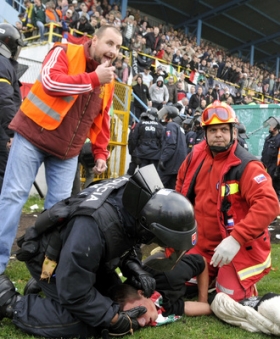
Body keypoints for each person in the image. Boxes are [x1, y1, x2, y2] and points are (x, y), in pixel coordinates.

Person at [0, 166, 198, 338]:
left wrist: (133, 266)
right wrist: (113, 319)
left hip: (82, 256)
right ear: (148, 226)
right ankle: (9, 301)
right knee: (87, 322)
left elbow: (126, 237)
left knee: (108, 299)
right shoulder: (94, 226)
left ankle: (49, 284)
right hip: (49, 260)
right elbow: (75, 293)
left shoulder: (137, 201)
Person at [0, 25, 122, 275]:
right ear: (95, 40)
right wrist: (93, 79)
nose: (114, 51)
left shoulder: (108, 80)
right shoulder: (64, 51)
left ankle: (44, 272)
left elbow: (103, 118)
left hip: (67, 152)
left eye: (119, 47)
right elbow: (50, 83)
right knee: (13, 197)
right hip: (32, 137)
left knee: (58, 214)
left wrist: (100, 152)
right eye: (109, 43)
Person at [176, 100, 279, 302]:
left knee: (227, 298)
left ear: (234, 132)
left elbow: (269, 204)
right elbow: (180, 187)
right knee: (175, 282)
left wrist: (236, 239)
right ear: (205, 133)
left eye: (224, 129)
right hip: (201, 247)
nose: (219, 135)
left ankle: (239, 282)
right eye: (213, 130)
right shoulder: (194, 158)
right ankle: (213, 276)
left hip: (238, 249)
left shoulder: (247, 165)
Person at [110, 255, 212, 328]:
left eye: (138, 313)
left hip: (205, 265)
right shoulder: (153, 306)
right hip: (183, 287)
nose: (141, 323)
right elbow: (185, 307)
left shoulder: (168, 276)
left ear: (142, 293)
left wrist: (203, 299)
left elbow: (201, 262)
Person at [0, 24, 24, 193]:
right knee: (3, 174)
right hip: (2, 131)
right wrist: (12, 132)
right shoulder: (3, 64)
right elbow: (4, 101)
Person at [157, 106, 187, 189]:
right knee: (173, 189)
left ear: (169, 115)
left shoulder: (170, 126)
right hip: (177, 165)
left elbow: (171, 145)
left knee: (157, 187)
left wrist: (163, 159)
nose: (163, 116)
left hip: (170, 164)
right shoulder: (179, 127)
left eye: (165, 115)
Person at [261, 116, 280, 200]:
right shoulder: (268, 139)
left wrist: (277, 172)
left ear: (276, 128)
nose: (269, 127)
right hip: (266, 170)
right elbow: (264, 155)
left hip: (276, 173)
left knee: (276, 193)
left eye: (271, 125)